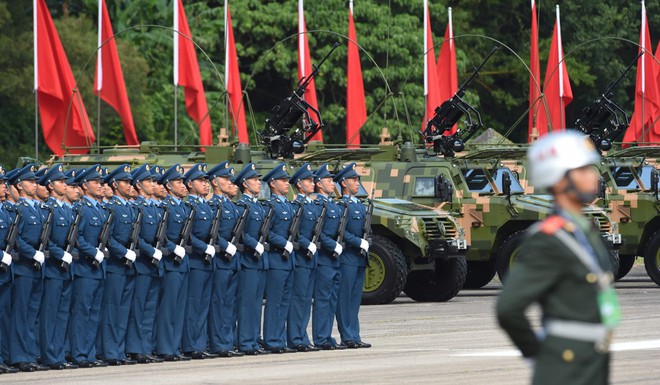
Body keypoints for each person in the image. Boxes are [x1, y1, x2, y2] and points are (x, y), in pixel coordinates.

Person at [496, 131, 619, 385]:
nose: (593, 175)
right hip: (563, 368)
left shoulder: (584, 231)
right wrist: (538, 353)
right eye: (583, 169)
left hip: (592, 363)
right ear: (559, 179)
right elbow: (508, 308)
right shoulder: (547, 239)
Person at [7, 164, 49, 372]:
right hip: (24, 267)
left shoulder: (37, 209)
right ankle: (19, 356)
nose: (35, 185)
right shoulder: (20, 209)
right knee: (21, 314)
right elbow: (16, 239)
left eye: (35, 181)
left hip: (35, 268)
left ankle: (30, 354)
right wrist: (32, 253)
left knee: (32, 314)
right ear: (20, 186)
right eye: (30, 182)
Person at [38, 165, 78, 370]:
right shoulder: (48, 209)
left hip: (66, 269)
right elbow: (46, 240)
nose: (65, 185)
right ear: (51, 186)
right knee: (51, 314)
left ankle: (59, 354)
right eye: (61, 182)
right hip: (54, 268)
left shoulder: (66, 210)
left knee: (63, 314)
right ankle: (49, 355)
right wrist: (60, 253)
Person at [97, 164, 138, 366]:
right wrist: (123, 252)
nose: (128, 185)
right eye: (124, 182)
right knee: (113, 310)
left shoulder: (129, 207)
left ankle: (119, 350)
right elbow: (108, 238)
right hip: (115, 265)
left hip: (128, 266)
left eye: (130, 181)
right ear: (114, 184)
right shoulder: (111, 207)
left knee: (123, 311)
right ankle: (110, 351)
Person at [125, 164, 165, 364]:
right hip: (142, 263)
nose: (153, 184)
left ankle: (146, 347)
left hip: (153, 265)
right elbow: (135, 237)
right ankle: (135, 347)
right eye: (149, 181)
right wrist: (151, 251)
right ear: (139, 186)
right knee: (139, 308)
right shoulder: (136, 207)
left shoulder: (154, 208)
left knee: (149, 309)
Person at [70, 164, 108, 368]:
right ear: (85, 186)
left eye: (101, 182)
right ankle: (79, 354)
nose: (100, 186)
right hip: (85, 268)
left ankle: (90, 353)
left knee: (94, 314)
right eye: (96, 182)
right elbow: (78, 238)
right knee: (82, 313)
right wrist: (93, 252)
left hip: (97, 270)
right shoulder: (82, 208)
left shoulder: (100, 209)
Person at [154, 164, 192, 362]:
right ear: (168, 186)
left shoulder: (183, 207)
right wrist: (172, 248)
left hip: (182, 263)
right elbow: (160, 235)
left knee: (179, 308)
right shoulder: (165, 207)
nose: (183, 185)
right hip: (171, 263)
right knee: (168, 308)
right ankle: (165, 347)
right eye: (178, 182)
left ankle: (175, 346)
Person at [180, 163, 218, 359]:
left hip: (207, 261)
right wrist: (204, 248)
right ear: (189, 184)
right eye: (200, 181)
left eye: (205, 181)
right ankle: (190, 344)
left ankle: (200, 343)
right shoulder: (189, 206)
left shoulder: (207, 207)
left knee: (203, 305)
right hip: (195, 260)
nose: (205, 184)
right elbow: (187, 236)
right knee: (193, 305)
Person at [207, 162, 243, 358]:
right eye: (225, 179)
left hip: (233, 261)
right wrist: (223, 244)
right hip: (221, 260)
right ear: (215, 182)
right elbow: (211, 233)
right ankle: (218, 343)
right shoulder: (213, 205)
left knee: (230, 303)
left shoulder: (231, 205)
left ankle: (228, 341)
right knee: (219, 303)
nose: (229, 182)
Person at [234, 163, 270, 355]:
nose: (258, 183)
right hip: (249, 261)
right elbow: (241, 233)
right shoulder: (242, 206)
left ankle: (254, 339)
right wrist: (253, 244)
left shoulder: (258, 206)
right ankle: (245, 341)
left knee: (256, 304)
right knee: (247, 303)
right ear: (245, 184)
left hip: (259, 262)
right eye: (255, 180)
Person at [334, 162, 371, 349]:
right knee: (345, 298)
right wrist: (358, 242)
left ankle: (355, 335)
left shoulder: (360, 206)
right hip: (347, 258)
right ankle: (347, 335)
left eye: (357, 179)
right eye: (353, 180)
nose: (357, 183)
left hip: (359, 258)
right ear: (343, 182)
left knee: (355, 300)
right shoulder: (341, 206)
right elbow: (341, 233)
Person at [261, 163, 297, 354]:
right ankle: (271, 340)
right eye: (283, 180)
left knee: (285, 302)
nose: (286, 183)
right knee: (274, 302)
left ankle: (280, 339)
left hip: (288, 261)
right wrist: (283, 243)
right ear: (273, 183)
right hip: (276, 259)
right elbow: (267, 233)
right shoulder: (270, 205)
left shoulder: (289, 206)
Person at [311, 164, 346, 351]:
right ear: (318, 183)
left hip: (335, 259)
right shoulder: (318, 205)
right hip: (325, 258)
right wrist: (333, 246)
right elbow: (318, 233)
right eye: (328, 180)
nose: (332, 183)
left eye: (333, 180)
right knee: (323, 299)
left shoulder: (333, 205)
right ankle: (320, 337)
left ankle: (327, 335)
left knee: (332, 299)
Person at [287, 163, 321, 352]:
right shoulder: (296, 206)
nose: (313, 183)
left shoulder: (312, 205)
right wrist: (304, 242)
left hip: (311, 259)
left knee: (307, 299)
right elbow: (293, 232)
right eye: (309, 180)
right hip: (300, 258)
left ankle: (302, 336)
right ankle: (295, 337)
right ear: (299, 184)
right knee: (298, 299)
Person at [0, 165, 19, 374]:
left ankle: (2, 357)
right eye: (1, 184)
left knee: (3, 317)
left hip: (5, 272)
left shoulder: (5, 210)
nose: (5, 188)